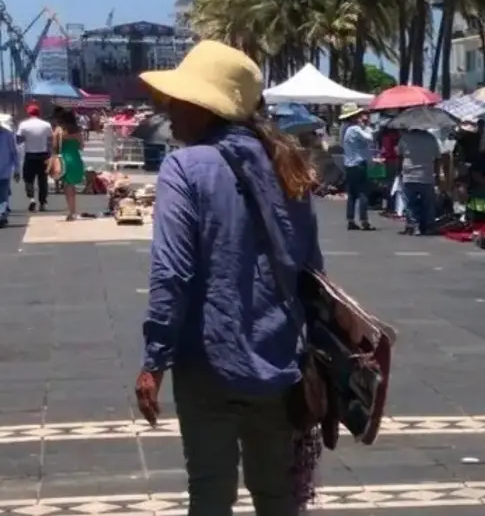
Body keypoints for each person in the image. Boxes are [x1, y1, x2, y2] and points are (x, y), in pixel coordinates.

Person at [134, 40, 325, 516]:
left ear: (204, 107)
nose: (169, 111)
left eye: (177, 101)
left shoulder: (184, 167)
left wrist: (154, 359)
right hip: (281, 358)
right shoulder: (289, 166)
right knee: (277, 497)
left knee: (210, 493)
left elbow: (171, 272)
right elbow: (313, 274)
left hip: (208, 361)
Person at [397, 128, 442, 235]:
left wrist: (398, 172)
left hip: (409, 175)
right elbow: (437, 158)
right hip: (426, 175)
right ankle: (429, 225)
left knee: (410, 203)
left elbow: (399, 155)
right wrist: (437, 175)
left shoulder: (405, 138)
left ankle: (414, 225)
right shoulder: (431, 138)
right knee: (428, 203)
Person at [340, 103, 376, 231]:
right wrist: (366, 127)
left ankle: (350, 219)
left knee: (352, 194)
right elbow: (370, 138)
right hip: (359, 164)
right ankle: (364, 220)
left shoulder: (344, 128)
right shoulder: (355, 129)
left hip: (349, 164)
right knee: (363, 193)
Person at [16, 104, 53, 213]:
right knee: (43, 181)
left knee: (28, 180)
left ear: (28, 113)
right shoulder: (46, 125)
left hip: (30, 154)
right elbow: (50, 140)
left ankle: (32, 199)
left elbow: (18, 140)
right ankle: (42, 203)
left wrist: (27, 138)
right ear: (39, 113)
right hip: (43, 155)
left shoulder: (23, 124)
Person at [52, 107, 86, 221]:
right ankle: (72, 211)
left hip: (64, 160)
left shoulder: (58, 130)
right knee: (71, 186)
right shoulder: (78, 131)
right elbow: (82, 147)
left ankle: (71, 212)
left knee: (67, 187)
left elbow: (55, 147)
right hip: (76, 159)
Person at [0, 118, 18, 226]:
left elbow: (14, 152)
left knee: (3, 195)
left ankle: (2, 216)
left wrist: (16, 169)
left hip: (4, 171)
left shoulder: (7, 135)